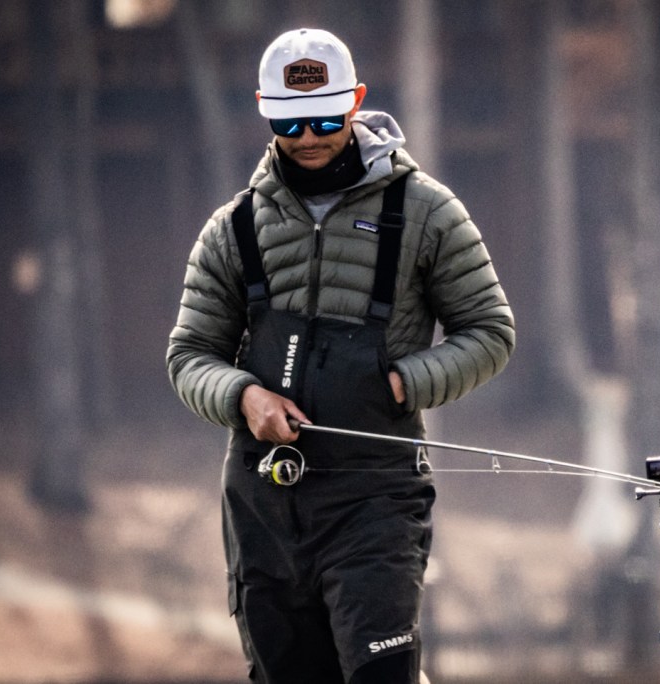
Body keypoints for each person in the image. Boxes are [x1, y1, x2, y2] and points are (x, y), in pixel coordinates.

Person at [166, 27, 515, 684]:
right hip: (263, 505)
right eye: (289, 123)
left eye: (326, 120)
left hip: (375, 502)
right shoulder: (231, 229)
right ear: (265, 113)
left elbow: (490, 331)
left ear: (355, 101)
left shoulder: (428, 211)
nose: (308, 137)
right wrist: (244, 397)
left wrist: (406, 382)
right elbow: (189, 355)